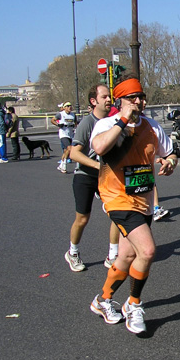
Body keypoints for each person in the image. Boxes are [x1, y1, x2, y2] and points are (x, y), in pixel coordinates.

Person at [89, 75, 177, 334]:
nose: (138, 101)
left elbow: (169, 152)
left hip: (143, 199)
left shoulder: (151, 126)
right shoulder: (106, 124)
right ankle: (133, 305)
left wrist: (170, 163)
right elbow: (101, 147)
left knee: (127, 255)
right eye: (131, 98)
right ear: (120, 101)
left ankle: (102, 300)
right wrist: (123, 120)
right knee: (147, 251)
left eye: (140, 96)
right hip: (116, 198)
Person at [64, 84, 120, 272]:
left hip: (105, 177)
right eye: (104, 97)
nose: (108, 100)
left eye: (109, 97)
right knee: (82, 218)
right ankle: (72, 252)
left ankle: (113, 255)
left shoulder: (114, 121)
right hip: (86, 176)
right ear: (93, 101)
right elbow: (74, 154)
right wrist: (98, 165)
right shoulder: (87, 123)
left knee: (117, 213)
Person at [51, 102, 77, 173]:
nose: (69, 107)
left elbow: (76, 123)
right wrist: (58, 124)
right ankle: (64, 165)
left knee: (66, 151)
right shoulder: (61, 114)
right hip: (63, 134)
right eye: (67, 106)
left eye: (70, 106)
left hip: (70, 133)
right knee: (69, 148)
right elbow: (52, 120)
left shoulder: (73, 115)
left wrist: (76, 129)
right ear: (64, 107)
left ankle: (61, 165)